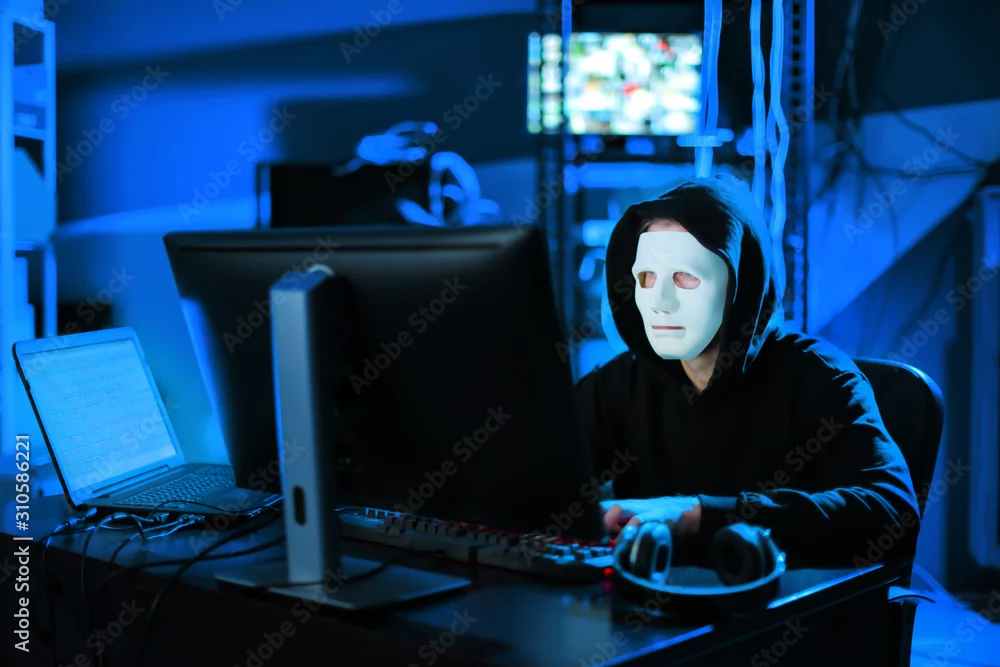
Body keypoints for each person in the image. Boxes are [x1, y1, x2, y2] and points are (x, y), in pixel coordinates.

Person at [577, 175, 921, 567]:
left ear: (742, 282)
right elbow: (541, 478)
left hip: (784, 602)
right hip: (649, 601)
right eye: (646, 277)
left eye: (686, 276)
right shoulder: (619, 385)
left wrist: (703, 516)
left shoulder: (819, 379)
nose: (660, 300)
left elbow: (892, 513)